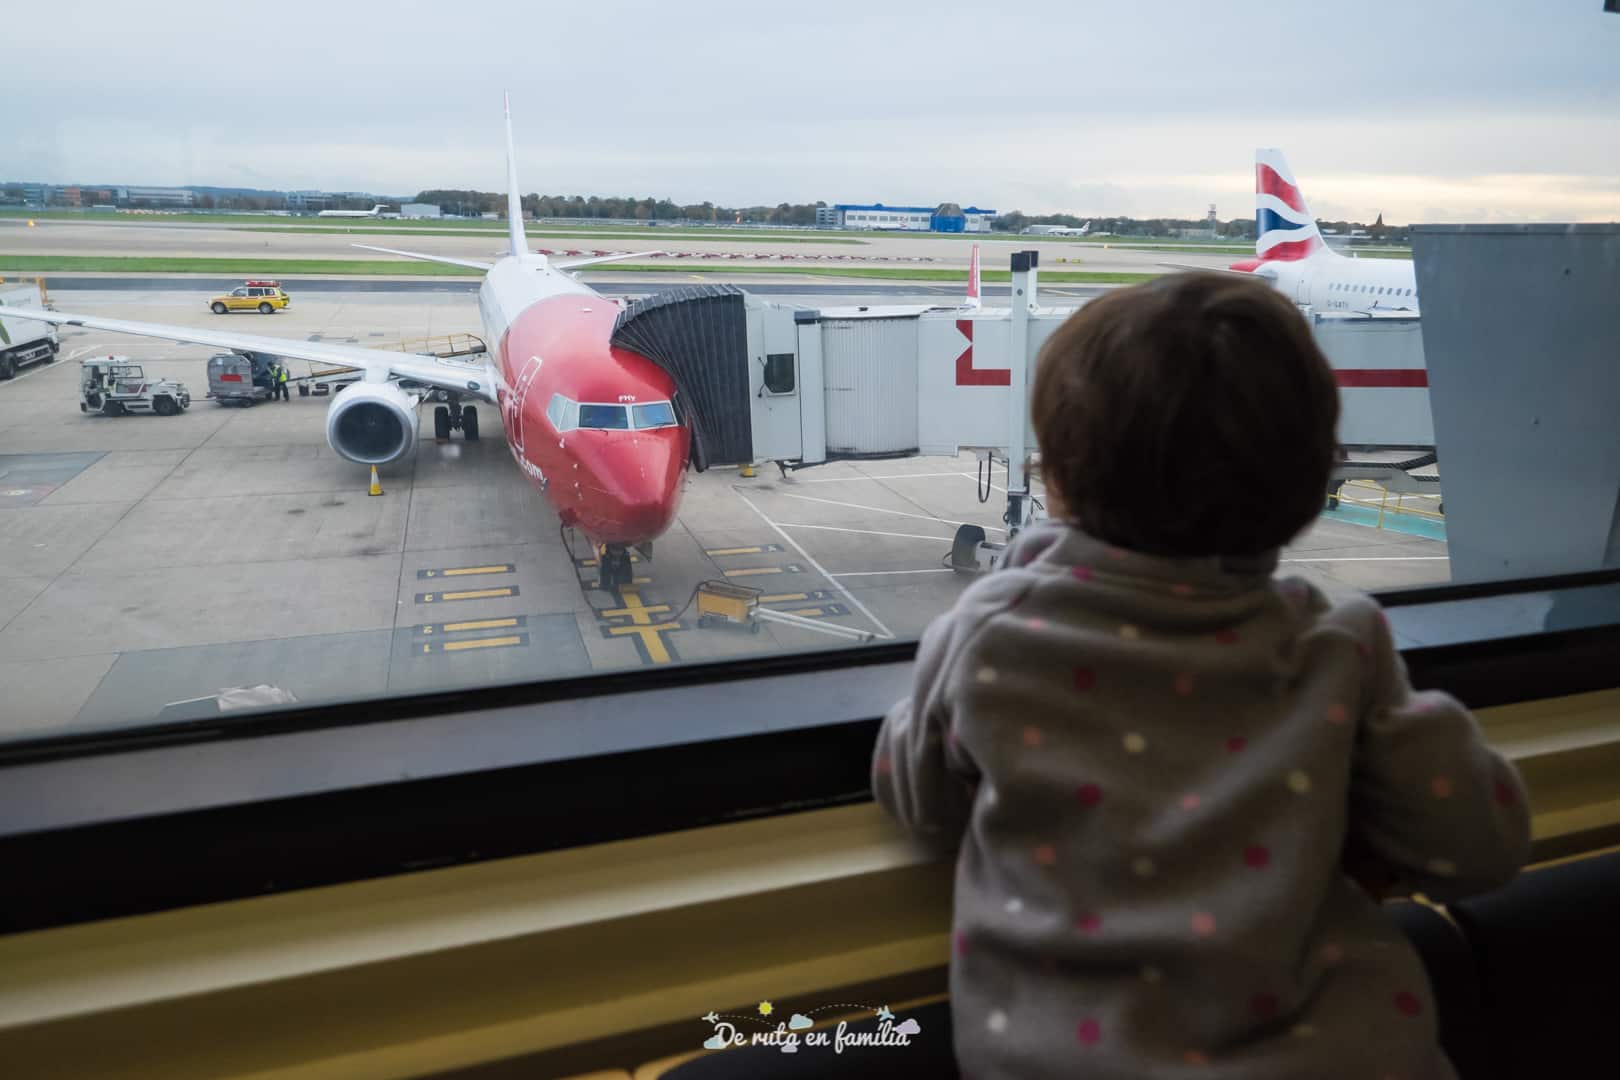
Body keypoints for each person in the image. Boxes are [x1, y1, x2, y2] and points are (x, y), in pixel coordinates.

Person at [871, 272, 1530, 1080]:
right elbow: (1482, 848)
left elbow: (919, 799)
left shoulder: (995, 637)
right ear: (1310, 486)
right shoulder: (1333, 648)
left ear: (1058, 477)